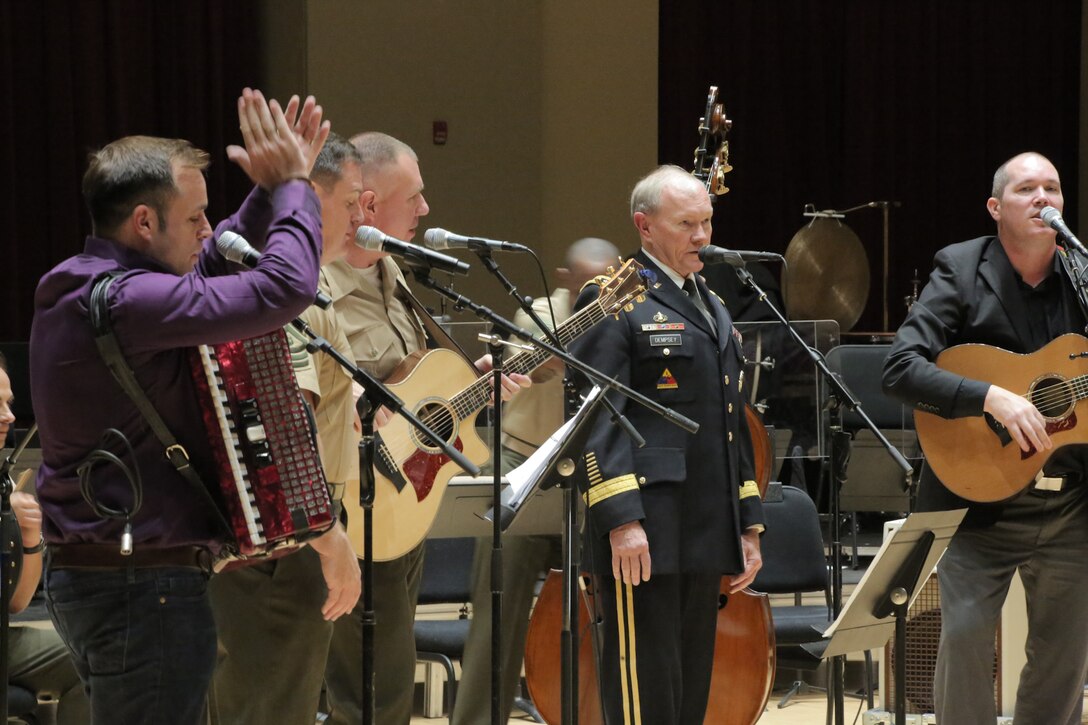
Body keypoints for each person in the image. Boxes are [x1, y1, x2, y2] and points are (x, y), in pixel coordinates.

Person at [28, 88, 330, 724]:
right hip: (142, 588)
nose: (207, 229)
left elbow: (210, 267)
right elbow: (284, 288)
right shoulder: (132, 302)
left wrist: (270, 191)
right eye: (194, 217)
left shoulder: (88, 285)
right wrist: (297, 186)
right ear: (144, 222)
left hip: (111, 576)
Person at [321, 131, 530, 725]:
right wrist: (361, 399)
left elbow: (418, 397)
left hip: (402, 505)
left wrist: (474, 389)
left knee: (386, 685)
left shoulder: (399, 277)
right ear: (366, 204)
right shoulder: (316, 288)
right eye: (413, 196)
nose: (426, 209)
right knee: (366, 690)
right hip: (346, 509)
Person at [883, 151, 1088, 725]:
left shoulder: (1082, 274)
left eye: (1052, 187)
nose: (1043, 198)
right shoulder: (962, 268)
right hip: (979, 498)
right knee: (968, 643)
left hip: (1071, 502)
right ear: (997, 207)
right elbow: (900, 368)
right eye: (1027, 189)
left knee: (1065, 657)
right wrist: (989, 397)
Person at [567, 165, 764, 724]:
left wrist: (747, 522)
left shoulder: (711, 303)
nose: (703, 236)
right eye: (686, 224)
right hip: (645, 527)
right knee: (642, 693)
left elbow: (731, 422)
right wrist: (621, 520)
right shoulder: (612, 298)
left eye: (706, 221)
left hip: (703, 525)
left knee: (686, 694)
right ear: (645, 226)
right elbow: (595, 415)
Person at [207, 132, 364, 725]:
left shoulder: (302, 285)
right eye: (350, 202)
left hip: (283, 534)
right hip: (285, 537)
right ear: (310, 197)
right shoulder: (284, 290)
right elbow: (276, 430)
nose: (358, 218)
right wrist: (329, 536)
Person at [452, 236, 619, 725]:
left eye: (604, 284)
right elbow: (544, 367)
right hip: (519, 465)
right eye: (586, 284)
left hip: (588, 470)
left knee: (607, 603)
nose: (595, 293)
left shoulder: (626, 309)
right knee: (497, 611)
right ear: (567, 280)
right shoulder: (537, 314)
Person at [0, 354, 89, 724]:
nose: (9, 416)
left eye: (8, 404)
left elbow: (17, 601)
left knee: (101, 656)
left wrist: (29, 535)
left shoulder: (3, 477)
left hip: (8, 637)